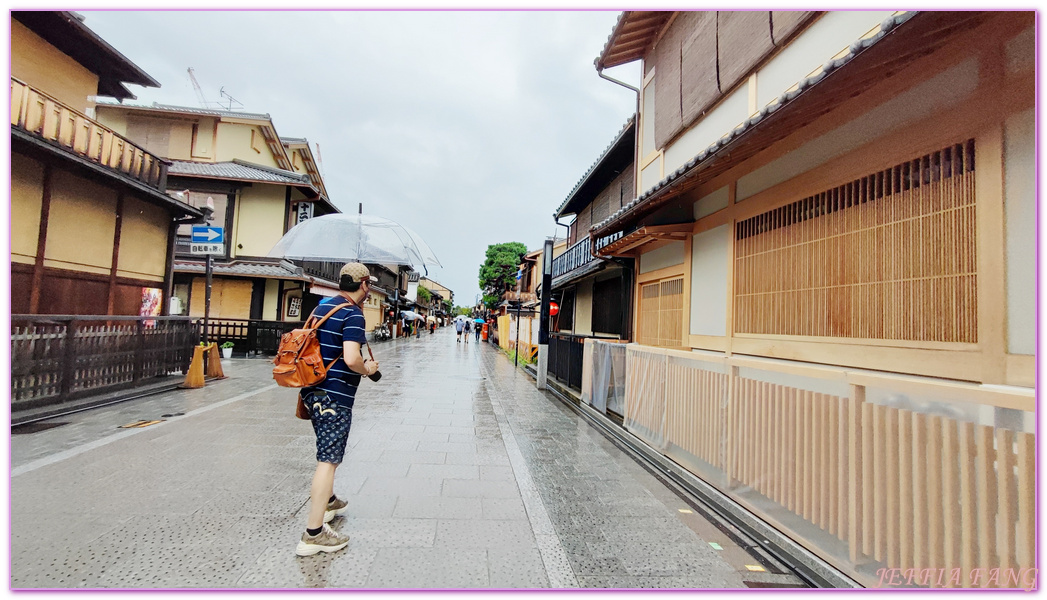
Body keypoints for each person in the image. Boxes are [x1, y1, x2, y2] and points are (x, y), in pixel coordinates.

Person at [296, 262, 380, 557]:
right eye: (369, 285)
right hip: (335, 396)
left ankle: (329, 501)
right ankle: (313, 534)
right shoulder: (353, 313)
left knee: (326, 450)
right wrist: (367, 368)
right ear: (364, 285)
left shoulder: (322, 306)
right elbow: (351, 358)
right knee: (328, 460)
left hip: (311, 389)